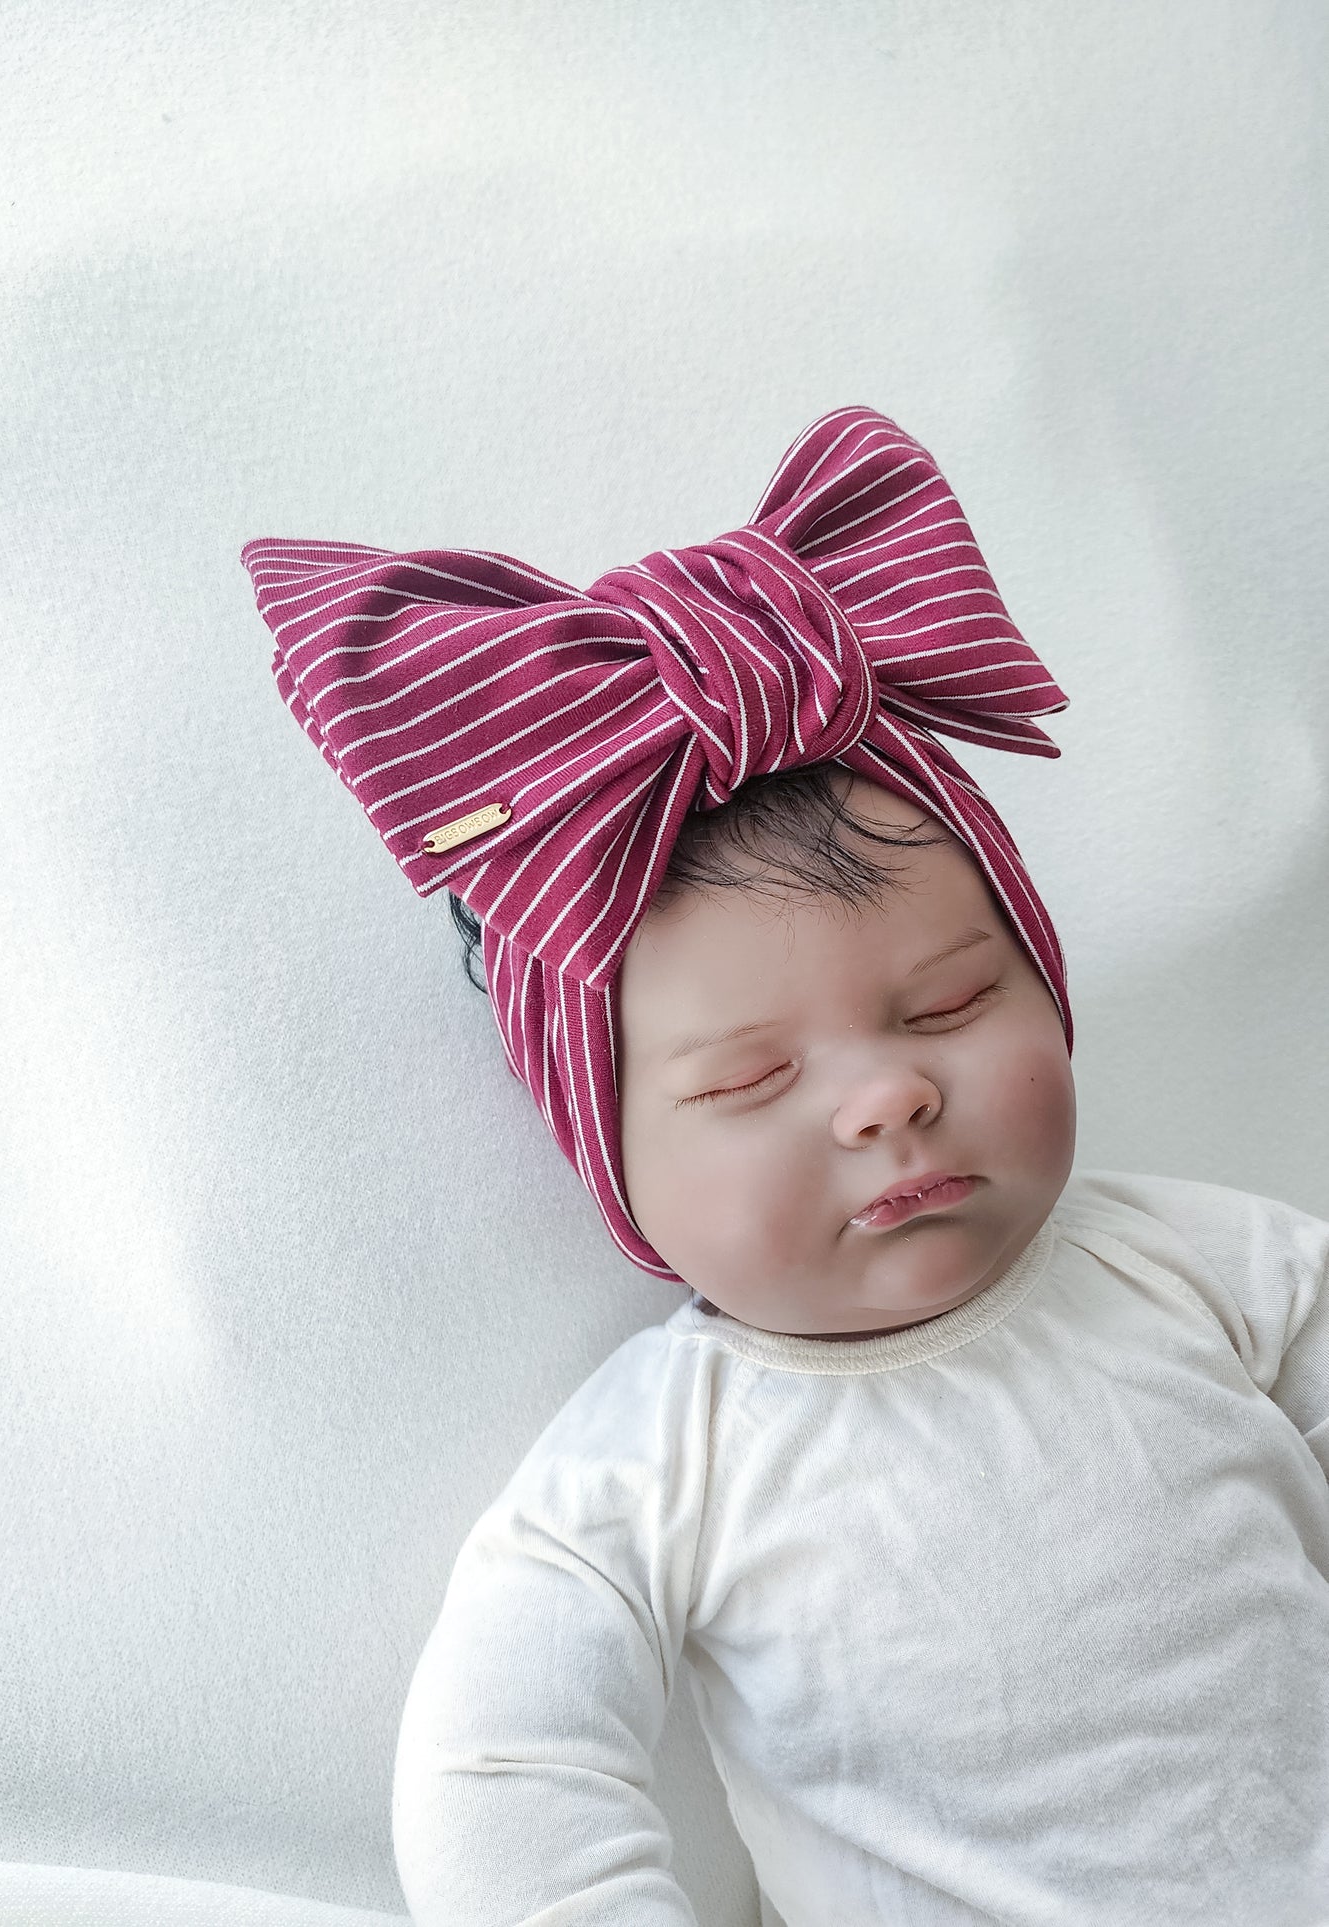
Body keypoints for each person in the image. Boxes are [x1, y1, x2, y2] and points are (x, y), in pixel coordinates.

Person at [241, 408, 1329, 1924]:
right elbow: (507, 1773)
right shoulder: (656, 1461)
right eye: (751, 1079)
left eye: (950, 1005)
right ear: (613, 1165)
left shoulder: (1218, 1272)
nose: (887, 1093)